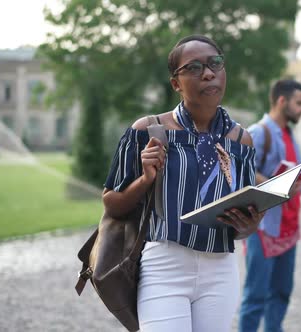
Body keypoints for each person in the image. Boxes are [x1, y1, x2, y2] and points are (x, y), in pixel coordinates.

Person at [102, 34, 265, 332]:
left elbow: (243, 223)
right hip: (165, 265)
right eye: (194, 67)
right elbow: (112, 204)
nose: (208, 72)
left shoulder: (241, 141)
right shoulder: (148, 130)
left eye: (215, 63)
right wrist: (145, 179)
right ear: (176, 83)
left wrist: (249, 224)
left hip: (220, 268)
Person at [238, 79, 301, 332]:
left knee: (281, 293)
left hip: (289, 226)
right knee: (255, 297)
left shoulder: (289, 132)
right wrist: (275, 184)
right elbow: (242, 169)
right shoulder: (259, 132)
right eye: (298, 103)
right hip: (264, 227)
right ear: (281, 101)